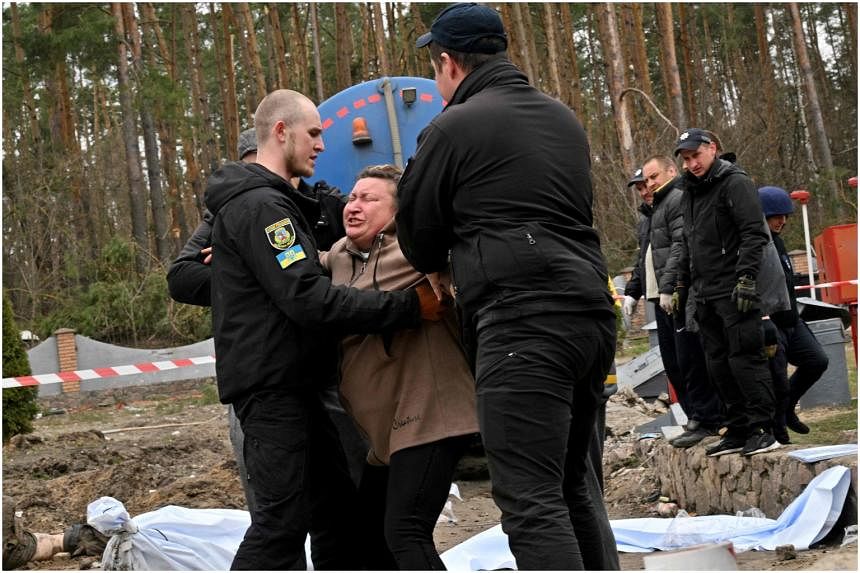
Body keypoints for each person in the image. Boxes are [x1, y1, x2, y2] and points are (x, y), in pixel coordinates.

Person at [396, 4, 618, 569]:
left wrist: (444, 262)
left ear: (448, 64)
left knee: (530, 499)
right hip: (590, 313)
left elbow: (417, 233)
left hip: (522, 322)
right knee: (574, 488)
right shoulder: (561, 117)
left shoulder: (452, 126)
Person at [203, 89, 444, 570]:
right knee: (280, 526)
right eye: (313, 133)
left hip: (302, 386)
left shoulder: (281, 203)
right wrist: (406, 306)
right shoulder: (263, 210)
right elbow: (308, 299)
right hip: (274, 390)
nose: (320, 143)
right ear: (280, 131)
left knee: (337, 514)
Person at [320, 164, 477, 570]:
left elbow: (460, 257)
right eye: (352, 197)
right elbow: (299, 270)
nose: (354, 206)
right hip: (386, 432)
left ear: (397, 211)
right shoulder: (341, 255)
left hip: (433, 416)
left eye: (369, 199)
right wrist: (242, 254)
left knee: (405, 531)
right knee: (368, 534)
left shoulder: (418, 252)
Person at [671, 128, 778, 457]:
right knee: (717, 363)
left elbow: (753, 233)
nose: (692, 164)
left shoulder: (734, 182)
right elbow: (689, 242)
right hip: (704, 293)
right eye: (686, 159)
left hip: (735, 290)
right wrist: (680, 284)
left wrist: (746, 277)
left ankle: (764, 427)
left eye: (696, 156)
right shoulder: (689, 191)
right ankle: (738, 427)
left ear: (712, 149)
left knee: (745, 357)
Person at [636, 155, 723, 448]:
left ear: (671, 172)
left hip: (677, 293)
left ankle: (706, 418)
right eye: (644, 181)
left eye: (653, 177)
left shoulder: (675, 200)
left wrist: (670, 286)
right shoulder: (652, 212)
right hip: (660, 296)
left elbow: (679, 245)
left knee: (689, 360)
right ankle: (694, 417)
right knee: (674, 364)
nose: (648, 185)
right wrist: (635, 291)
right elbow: (646, 257)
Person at [758, 185, 829, 437]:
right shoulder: (756, 244)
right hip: (771, 321)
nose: (782, 221)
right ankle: (778, 432)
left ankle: (787, 408)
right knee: (776, 381)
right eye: (777, 216)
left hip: (791, 318)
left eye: (786, 216)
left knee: (817, 360)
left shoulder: (779, 242)